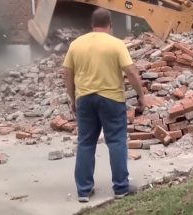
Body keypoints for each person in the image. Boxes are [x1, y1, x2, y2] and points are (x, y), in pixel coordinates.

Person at [62, 7, 146, 203]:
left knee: (85, 143)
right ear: (110, 25)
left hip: (85, 98)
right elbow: (131, 72)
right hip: (112, 99)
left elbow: (67, 73)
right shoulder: (116, 44)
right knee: (116, 141)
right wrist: (141, 95)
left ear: (92, 25)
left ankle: (83, 191)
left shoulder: (76, 44)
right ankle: (121, 188)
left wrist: (73, 98)